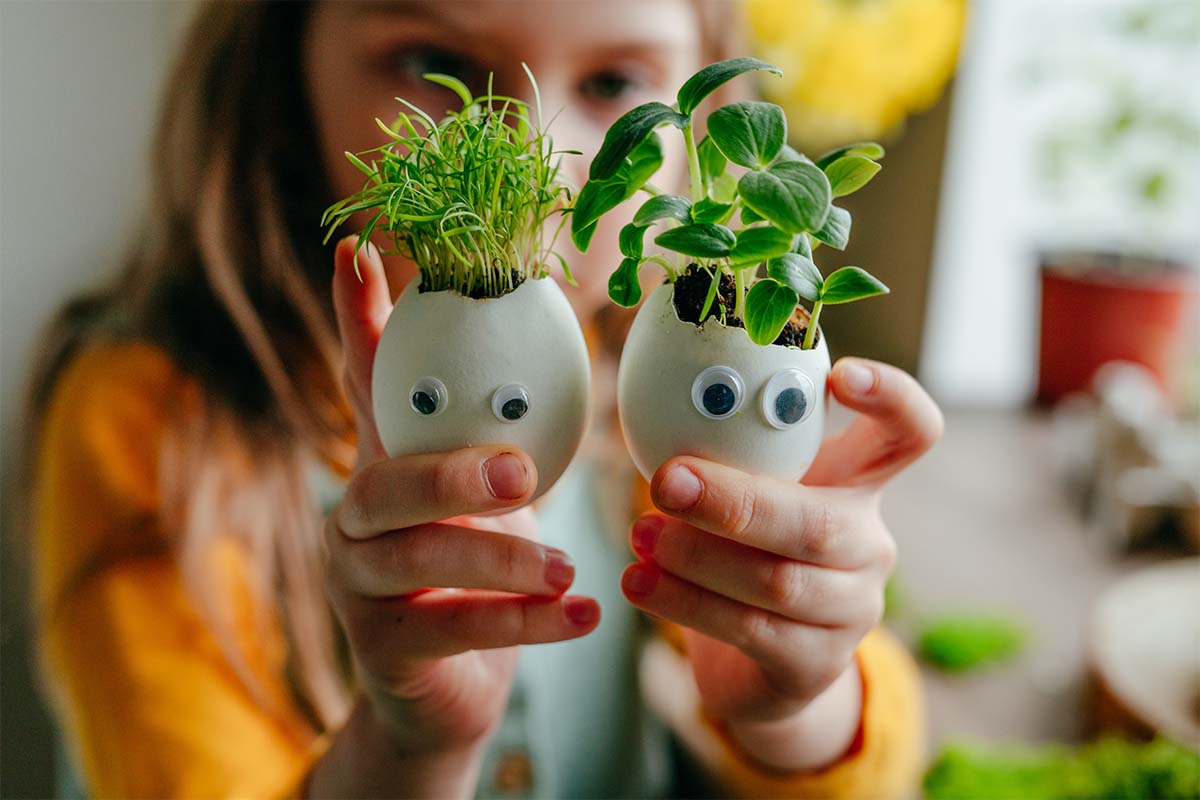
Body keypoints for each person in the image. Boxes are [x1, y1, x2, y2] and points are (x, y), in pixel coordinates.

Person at [26, 1, 943, 797]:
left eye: (616, 80)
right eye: (438, 66)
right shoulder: (155, 424)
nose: (533, 157)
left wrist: (792, 695)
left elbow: (871, 760)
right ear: (278, 77)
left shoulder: (652, 391)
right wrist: (410, 746)